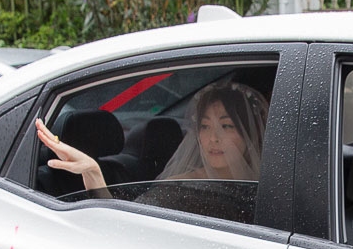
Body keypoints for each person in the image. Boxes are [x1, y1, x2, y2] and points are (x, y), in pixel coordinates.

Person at [36, 81, 269, 192]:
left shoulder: (273, 185)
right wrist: (93, 173)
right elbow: (126, 231)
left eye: (226, 126)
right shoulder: (180, 187)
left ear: (250, 132)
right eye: (205, 127)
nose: (213, 138)